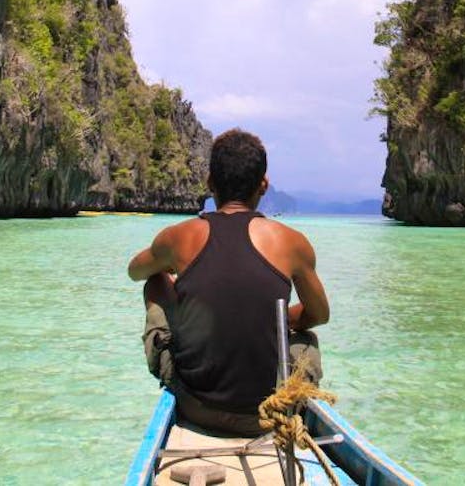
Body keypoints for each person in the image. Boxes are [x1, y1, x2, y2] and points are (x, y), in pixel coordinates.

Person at [127, 128, 330, 436]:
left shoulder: (179, 236)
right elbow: (319, 315)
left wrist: (172, 269)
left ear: (210, 184)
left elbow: (135, 271)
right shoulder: (292, 243)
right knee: (308, 341)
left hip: (196, 405)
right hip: (269, 411)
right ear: (263, 185)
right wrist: (272, 320)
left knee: (155, 280)